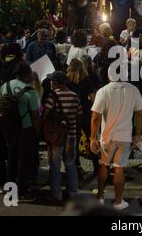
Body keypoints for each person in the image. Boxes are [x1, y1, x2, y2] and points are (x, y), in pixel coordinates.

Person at [90, 68, 142, 211]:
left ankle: (100, 197)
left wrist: (92, 137)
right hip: (124, 136)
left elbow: (95, 116)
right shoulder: (133, 90)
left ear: (109, 76)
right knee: (119, 168)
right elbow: (140, 113)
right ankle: (118, 201)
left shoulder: (103, 91)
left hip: (107, 136)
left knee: (104, 165)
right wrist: (138, 133)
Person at [0, 62, 40, 200]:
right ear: (27, 74)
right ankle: (22, 191)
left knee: (11, 158)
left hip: (8, 128)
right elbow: (35, 115)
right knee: (24, 160)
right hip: (25, 128)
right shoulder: (31, 91)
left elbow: (0, 105)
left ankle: (9, 189)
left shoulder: (5, 86)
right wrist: (37, 130)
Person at [43, 71, 82, 201]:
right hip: (71, 135)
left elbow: (45, 114)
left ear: (56, 83)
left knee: (55, 164)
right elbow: (79, 114)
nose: (50, 83)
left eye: (52, 81)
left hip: (56, 137)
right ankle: (72, 192)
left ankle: (56, 193)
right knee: (70, 164)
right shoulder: (75, 95)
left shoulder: (52, 96)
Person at [67, 59, 98, 177]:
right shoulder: (86, 80)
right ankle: (96, 165)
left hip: (72, 112)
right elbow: (93, 97)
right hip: (85, 112)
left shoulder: (67, 81)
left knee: (73, 140)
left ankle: (77, 167)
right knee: (91, 138)